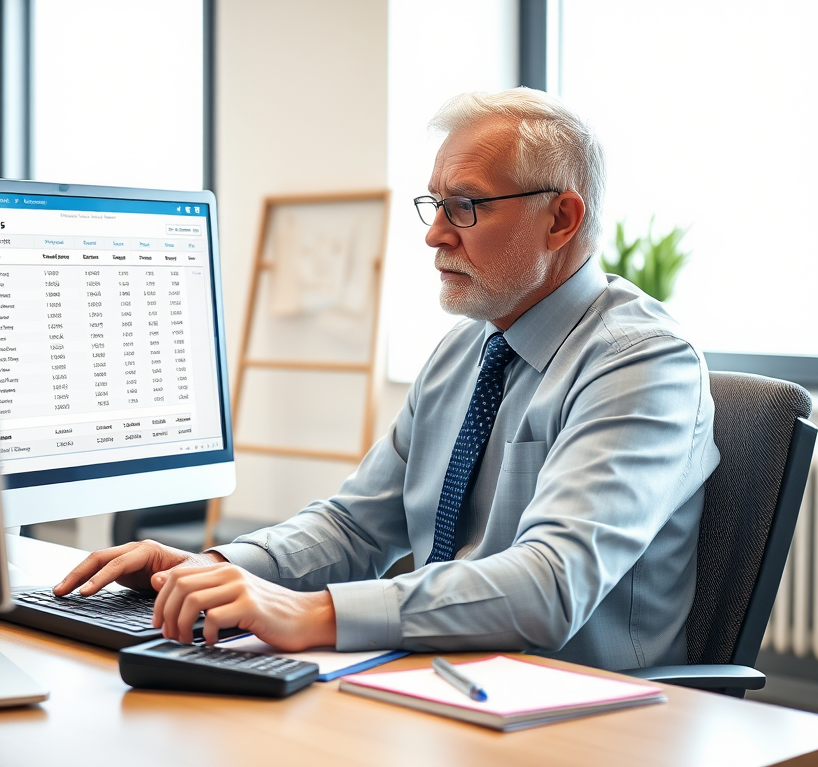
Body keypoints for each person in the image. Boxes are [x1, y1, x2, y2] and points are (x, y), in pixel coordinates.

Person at [55, 88, 720, 671]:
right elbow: (356, 527)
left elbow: (551, 585)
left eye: (465, 207)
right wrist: (221, 570)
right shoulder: (467, 349)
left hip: (580, 714)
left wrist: (314, 614)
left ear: (562, 218)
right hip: (439, 679)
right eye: (433, 204)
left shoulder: (642, 363)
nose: (433, 235)